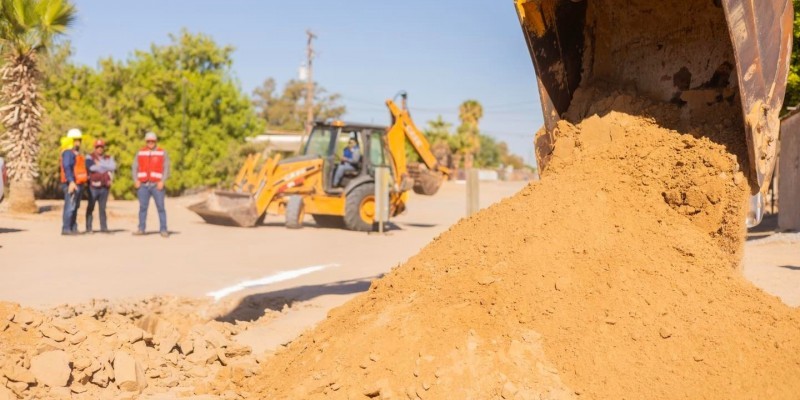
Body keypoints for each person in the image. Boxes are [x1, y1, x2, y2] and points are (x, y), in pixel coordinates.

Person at [132, 131, 170, 237]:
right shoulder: (140, 152)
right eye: (148, 141)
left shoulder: (162, 152)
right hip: (143, 185)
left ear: (155, 141)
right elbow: (134, 167)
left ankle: (163, 229)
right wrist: (136, 180)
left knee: (161, 208)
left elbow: (166, 168)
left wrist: (162, 181)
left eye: (152, 141)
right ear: (146, 141)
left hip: (157, 185)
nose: (150, 143)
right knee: (143, 208)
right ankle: (141, 229)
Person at [60, 128, 87, 235]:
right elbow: (67, 167)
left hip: (79, 183)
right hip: (71, 183)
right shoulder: (68, 152)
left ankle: (73, 227)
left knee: (75, 206)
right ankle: (66, 228)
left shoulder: (76, 153)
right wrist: (71, 182)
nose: (78, 142)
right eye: (76, 140)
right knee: (70, 205)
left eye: (79, 140)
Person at [85, 139, 117, 233]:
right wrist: (106, 167)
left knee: (102, 208)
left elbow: (113, 167)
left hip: (104, 186)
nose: (99, 149)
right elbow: (91, 168)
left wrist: (100, 164)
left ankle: (104, 228)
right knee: (91, 207)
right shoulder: (89, 157)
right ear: (95, 148)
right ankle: (89, 228)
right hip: (93, 186)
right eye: (97, 147)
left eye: (101, 147)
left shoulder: (108, 157)